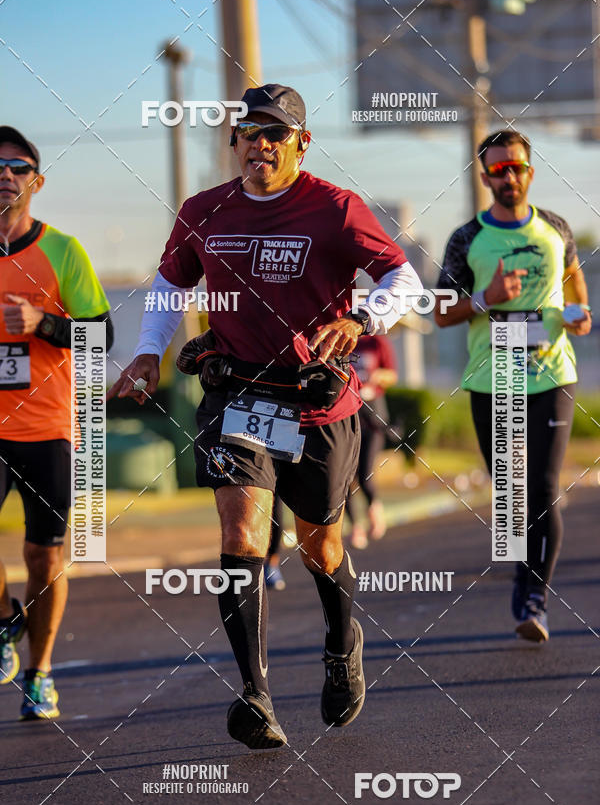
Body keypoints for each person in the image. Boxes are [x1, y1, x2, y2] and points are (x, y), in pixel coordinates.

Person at [110, 84, 423, 748]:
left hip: (317, 405)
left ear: (301, 144)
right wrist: (146, 352)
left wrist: (361, 317)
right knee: (243, 533)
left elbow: (405, 279)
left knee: (320, 546)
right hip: (237, 397)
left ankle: (343, 641)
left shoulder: (336, 209)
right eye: (250, 131)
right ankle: (255, 694)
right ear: (234, 142)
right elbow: (170, 285)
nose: (261, 143)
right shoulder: (204, 211)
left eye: (276, 133)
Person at [435, 129, 591, 643]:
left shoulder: (556, 228)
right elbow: (439, 314)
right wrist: (487, 298)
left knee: (542, 488)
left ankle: (533, 598)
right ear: (485, 178)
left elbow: (573, 280)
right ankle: (523, 579)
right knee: (510, 495)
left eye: (516, 167)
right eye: (498, 169)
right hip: (493, 374)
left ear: (529, 171)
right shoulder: (466, 239)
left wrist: (579, 314)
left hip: (551, 372)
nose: (509, 176)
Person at [0, 126, 113, 718]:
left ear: (35, 183)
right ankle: (1, 622)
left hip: (46, 427)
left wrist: (40, 322)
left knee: (45, 556)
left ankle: (40, 671)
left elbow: (101, 337)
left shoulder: (62, 251)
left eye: (18, 167)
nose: (5, 175)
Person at [345, 334, 398, 549]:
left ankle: (374, 509)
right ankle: (355, 526)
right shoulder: (344, 338)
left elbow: (392, 375)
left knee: (365, 474)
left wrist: (375, 377)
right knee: (346, 477)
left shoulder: (377, 342)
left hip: (373, 417)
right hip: (349, 415)